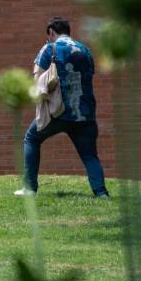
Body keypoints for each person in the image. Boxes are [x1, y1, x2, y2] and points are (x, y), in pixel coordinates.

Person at [16, 17, 110, 197]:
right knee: (89, 155)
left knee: (32, 139)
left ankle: (29, 188)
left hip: (58, 112)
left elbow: (38, 82)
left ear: (51, 32)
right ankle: (101, 192)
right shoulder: (85, 51)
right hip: (85, 113)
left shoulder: (49, 48)